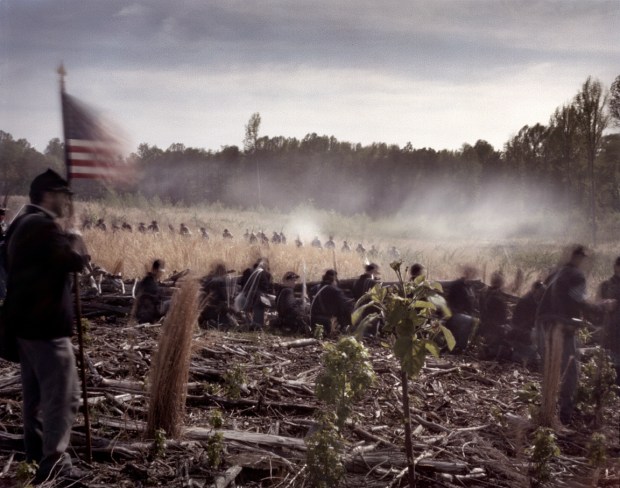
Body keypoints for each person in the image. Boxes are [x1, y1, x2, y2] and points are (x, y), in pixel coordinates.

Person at [2, 169, 87, 484]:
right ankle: (55, 462)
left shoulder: (19, 224)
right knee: (63, 397)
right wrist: (77, 240)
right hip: (47, 329)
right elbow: (74, 261)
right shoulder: (44, 226)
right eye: (64, 195)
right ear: (50, 194)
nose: (67, 202)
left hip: (25, 328)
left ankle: (36, 457)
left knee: (36, 398)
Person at [536, 245, 615, 425]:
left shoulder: (557, 272)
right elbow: (581, 301)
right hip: (560, 328)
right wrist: (602, 306)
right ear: (580, 259)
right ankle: (564, 416)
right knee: (570, 372)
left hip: (543, 324)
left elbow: (543, 294)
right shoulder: (576, 276)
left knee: (550, 370)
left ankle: (546, 412)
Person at [508, 281, 545, 366]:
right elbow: (520, 322)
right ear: (535, 290)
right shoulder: (526, 301)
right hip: (519, 332)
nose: (542, 295)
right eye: (541, 292)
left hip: (527, 331)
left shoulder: (536, 301)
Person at [444, 265, 478, 352]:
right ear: (466, 273)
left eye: (473, 274)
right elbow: (450, 302)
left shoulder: (470, 287)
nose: (472, 276)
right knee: (468, 320)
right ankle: (459, 347)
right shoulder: (457, 285)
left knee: (476, 320)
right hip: (454, 314)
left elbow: (472, 304)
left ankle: (471, 345)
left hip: (466, 313)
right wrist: (461, 311)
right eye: (471, 273)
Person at [310, 269, 353, 335]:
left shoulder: (314, 289)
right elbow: (345, 306)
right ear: (334, 279)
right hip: (327, 323)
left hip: (313, 321)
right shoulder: (336, 291)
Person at [479, 271, 510, 359]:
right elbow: (503, 317)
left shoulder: (483, 293)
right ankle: (490, 351)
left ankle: (488, 349)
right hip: (495, 327)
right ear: (501, 283)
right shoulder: (497, 298)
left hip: (485, 324)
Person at [599, 256, 620, 385]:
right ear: (616, 267)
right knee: (614, 364)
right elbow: (598, 304)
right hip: (613, 329)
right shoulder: (607, 285)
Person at [198, 261, 236, 329]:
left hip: (208, 310)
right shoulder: (218, 282)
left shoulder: (209, 280)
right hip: (213, 311)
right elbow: (223, 300)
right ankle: (209, 324)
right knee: (231, 325)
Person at [238, 259, 273, 330]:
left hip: (245, 296)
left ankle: (250, 323)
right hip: (256, 298)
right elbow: (266, 288)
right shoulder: (265, 274)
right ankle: (258, 325)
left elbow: (241, 283)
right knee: (261, 303)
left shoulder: (247, 271)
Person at [134, 259, 171, 324]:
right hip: (150, 312)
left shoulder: (149, 280)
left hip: (146, 311)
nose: (161, 274)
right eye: (160, 272)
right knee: (173, 302)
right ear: (155, 270)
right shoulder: (149, 282)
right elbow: (155, 298)